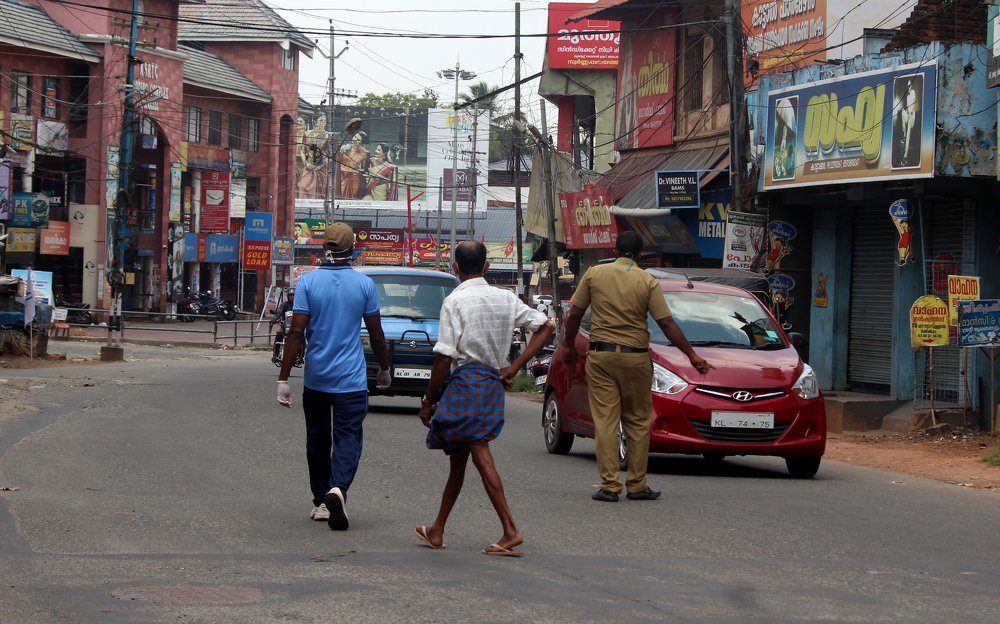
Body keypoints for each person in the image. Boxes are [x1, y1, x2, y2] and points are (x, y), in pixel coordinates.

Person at [415, 241, 554, 556]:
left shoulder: (455, 301)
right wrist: (515, 367)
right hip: (491, 380)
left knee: (479, 452)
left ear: (454, 268)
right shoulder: (505, 298)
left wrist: (428, 399)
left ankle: (510, 529)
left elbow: (443, 358)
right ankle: (437, 529)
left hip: (467, 381)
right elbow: (546, 327)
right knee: (460, 459)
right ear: (487, 267)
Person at [561, 231, 713, 503]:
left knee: (606, 421)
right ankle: (637, 484)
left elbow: (575, 313)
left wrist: (569, 345)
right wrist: (692, 356)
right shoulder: (647, 280)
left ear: (616, 250)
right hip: (636, 358)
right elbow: (666, 324)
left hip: (602, 356)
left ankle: (609, 485)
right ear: (640, 255)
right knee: (638, 420)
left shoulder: (595, 274)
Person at [276, 222, 392, 531]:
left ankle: (320, 502)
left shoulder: (308, 283)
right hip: (351, 380)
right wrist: (384, 368)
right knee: (348, 437)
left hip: (316, 379)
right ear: (353, 249)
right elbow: (377, 335)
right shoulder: (365, 285)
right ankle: (338, 488)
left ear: (324, 247)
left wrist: (283, 379)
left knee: (317, 439)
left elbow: (297, 332)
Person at [297, 115, 329, 200]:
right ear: (315, 122)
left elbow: (330, 155)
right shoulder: (307, 134)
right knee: (303, 186)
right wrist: (306, 163)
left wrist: (319, 166)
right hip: (308, 166)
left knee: (320, 191)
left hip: (321, 168)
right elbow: (302, 151)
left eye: (324, 121)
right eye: (321, 120)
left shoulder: (328, 136)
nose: (323, 123)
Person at [338, 131, 370, 199]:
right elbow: (338, 162)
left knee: (353, 197)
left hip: (355, 178)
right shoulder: (344, 148)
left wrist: (358, 171)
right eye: (355, 137)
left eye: (358, 139)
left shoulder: (364, 153)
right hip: (343, 176)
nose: (355, 139)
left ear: (361, 142)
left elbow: (364, 169)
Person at [270, 290, 297, 365]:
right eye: (290, 296)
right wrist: (274, 319)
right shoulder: (284, 304)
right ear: (287, 297)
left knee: (301, 337)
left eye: (293, 295)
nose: (292, 297)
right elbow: (279, 313)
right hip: (285, 324)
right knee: (279, 335)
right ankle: (276, 354)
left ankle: (300, 356)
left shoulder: (298, 305)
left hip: (296, 325)